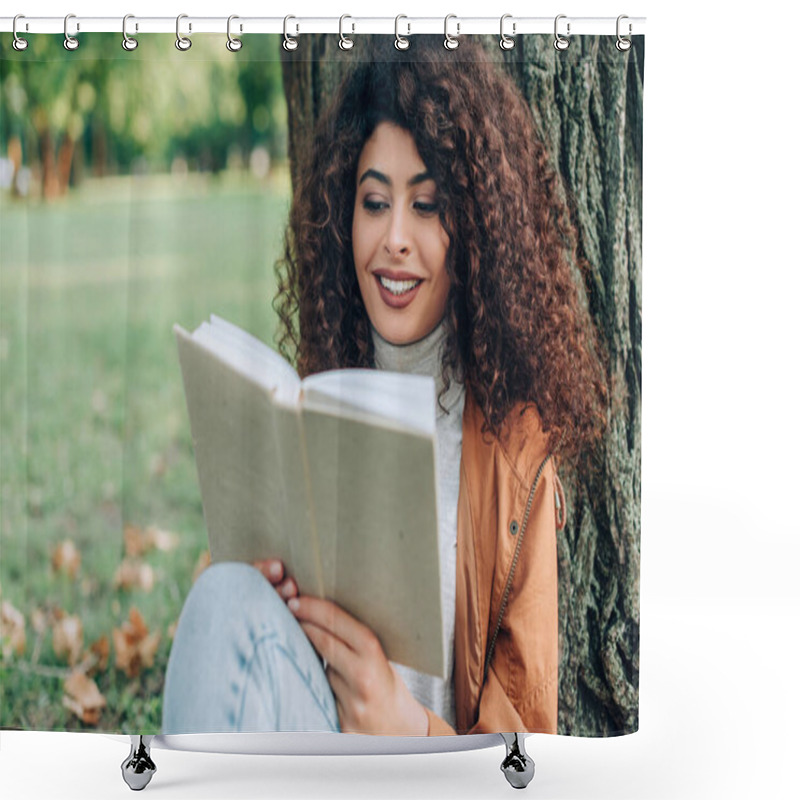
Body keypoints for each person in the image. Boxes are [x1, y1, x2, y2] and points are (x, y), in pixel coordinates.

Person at [162, 35, 605, 738]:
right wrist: (260, 592)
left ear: (478, 226)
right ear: (345, 214)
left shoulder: (516, 454)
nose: (395, 237)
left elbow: (521, 749)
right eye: (374, 202)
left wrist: (406, 725)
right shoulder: (316, 391)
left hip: (427, 775)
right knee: (221, 596)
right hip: (304, 742)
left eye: (427, 206)